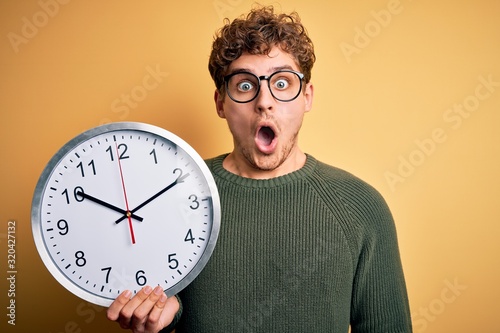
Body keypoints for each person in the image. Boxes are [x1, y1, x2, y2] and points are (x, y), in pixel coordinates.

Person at [107, 5, 413, 332]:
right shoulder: (170, 197)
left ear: (306, 97)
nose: (264, 101)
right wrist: (155, 323)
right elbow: (166, 307)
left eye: (281, 83)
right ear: (220, 103)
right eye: (244, 85)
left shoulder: (360, 206)